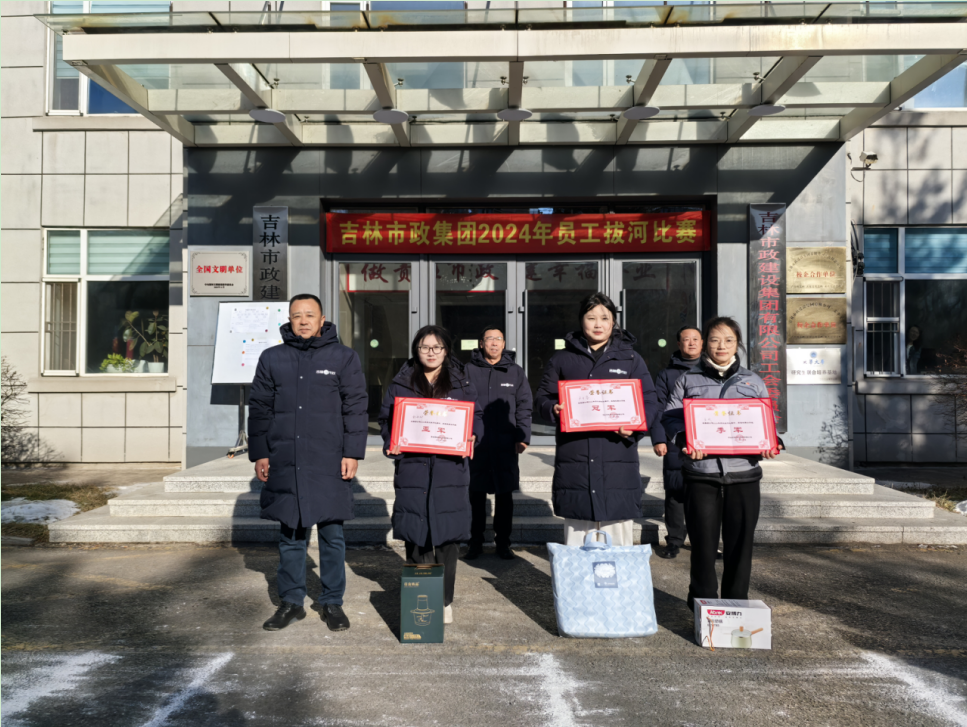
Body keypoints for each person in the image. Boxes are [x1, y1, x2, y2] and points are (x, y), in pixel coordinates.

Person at [249, 293, 368, 632]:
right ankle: (291, 602)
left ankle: (332, 602)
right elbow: (260, 408)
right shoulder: (272, 358)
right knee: (291, 535)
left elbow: (355, 407)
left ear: (322, 319)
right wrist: (260, 452)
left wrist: (352, 452)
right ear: (289, 320)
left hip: (328, 459)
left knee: (332, 535)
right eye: (296, 315)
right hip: (286, 458)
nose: (303, 321)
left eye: (309, 315)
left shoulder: (343, 357)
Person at [660, 316, 783, 611]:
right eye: (715, 340)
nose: (721, 346)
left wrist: (772, 441)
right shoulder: (688, 379)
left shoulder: (753, 381)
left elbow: (765, 421)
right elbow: (671, 417)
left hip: (744, 474)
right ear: (706, 344)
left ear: (737, 344)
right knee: (703, 545)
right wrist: (686, 441)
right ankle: (702, 604)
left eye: (728, 340)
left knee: (740, 546)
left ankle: (736, 605)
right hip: (701, 473)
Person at [534, 292, 660, 547]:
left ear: (613, 321)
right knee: (578, 541)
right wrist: (552, 408)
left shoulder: (631, 359)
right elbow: (542, 398)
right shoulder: (562, 359)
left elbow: (649, 400)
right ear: (581, 320)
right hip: (576, 458)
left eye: (604, 318)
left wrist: (635, 426)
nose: (598, 324)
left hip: (617, 456)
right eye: (591, 318)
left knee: (618, 541)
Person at [378, 325, 484, 624]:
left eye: (437, 347)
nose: (431, 352)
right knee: (417, 535)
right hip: (413, 469)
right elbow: (386, 419)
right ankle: (421, 596)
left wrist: (474, 435)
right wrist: (391, 441)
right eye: (425, 347)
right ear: (416, 350)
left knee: (447, 538)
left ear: (446, 350)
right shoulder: (401, 382)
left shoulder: (461, 382)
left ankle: (444, 600)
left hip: (450, 469)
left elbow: (476, 416)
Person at [464, 325, 533, 561]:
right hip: (476, 443)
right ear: (481, 344)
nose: (494, 343)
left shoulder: (515, 372)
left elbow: (524, 405)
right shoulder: (468, 370)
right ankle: (475, 542)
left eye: (498, 339)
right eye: (489, 339)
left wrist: (523, 436)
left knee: (505, 496)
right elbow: (460, 403)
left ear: (504, 344)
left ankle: (503, 543)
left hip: (506, 443)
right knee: (475, 495)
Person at [649, 326, 703, 560]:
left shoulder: (712, 371)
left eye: (695, 339)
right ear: (679, 344)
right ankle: (674, 540)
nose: (691, 343)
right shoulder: (667, 374)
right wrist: (659, 438)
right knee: (675, 491)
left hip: (707, 438)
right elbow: (658, 408)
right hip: (674, 438)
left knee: (705, 494)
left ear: (702, 343)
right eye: (686, 340)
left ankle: (706, 541)